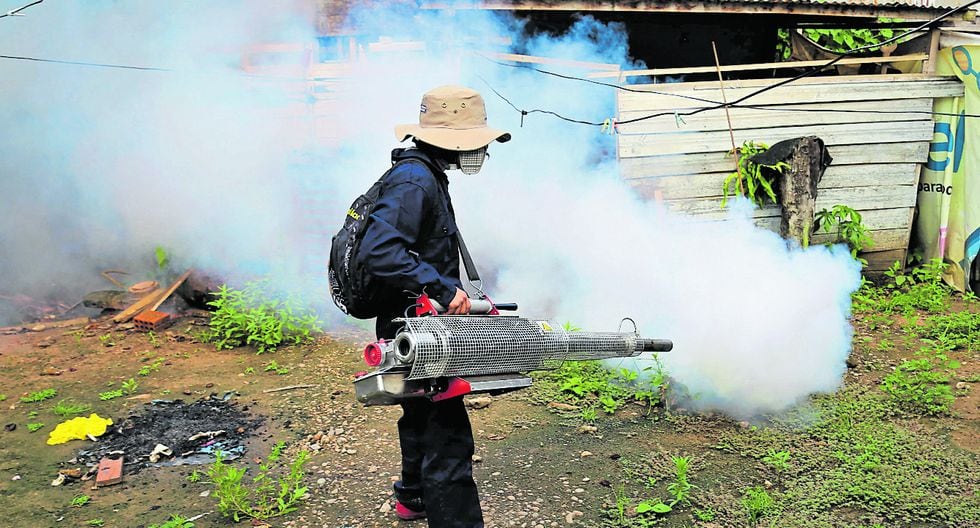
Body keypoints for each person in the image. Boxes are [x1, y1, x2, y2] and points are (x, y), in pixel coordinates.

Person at [357, 85, 510, 527]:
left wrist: (446, 291)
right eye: (477, 138)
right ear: (454, 139)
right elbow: (379, 250)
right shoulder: (415, 181)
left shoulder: (422, 173)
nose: (482, 147)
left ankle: (413, 498)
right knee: (449, 438)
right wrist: (442, 291)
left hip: (412, 323)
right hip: (419, 330)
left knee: (420, 412)